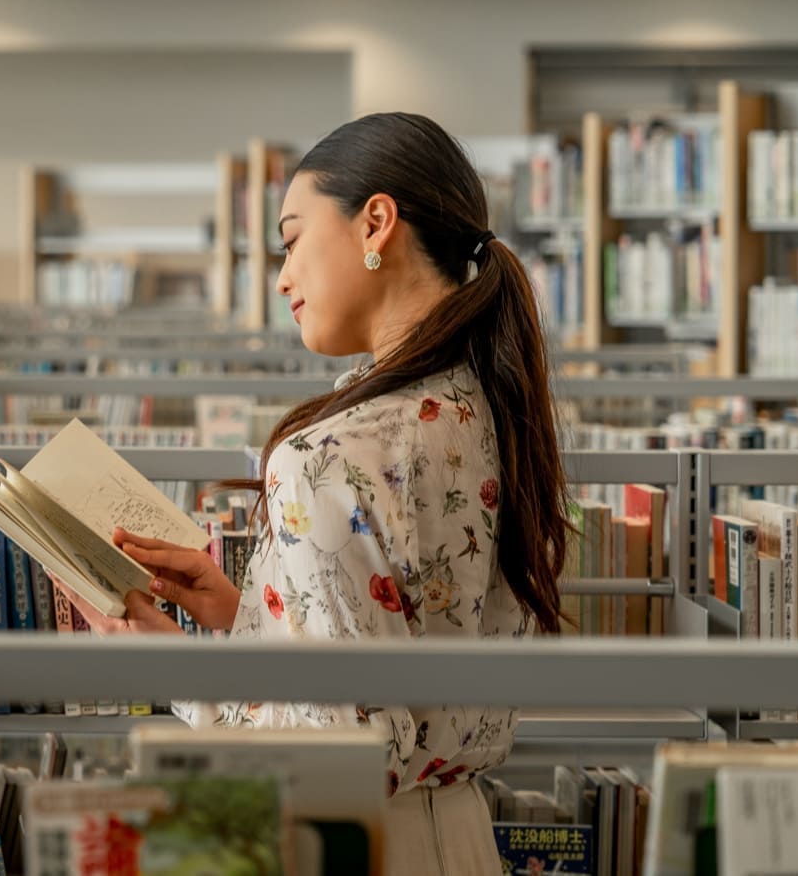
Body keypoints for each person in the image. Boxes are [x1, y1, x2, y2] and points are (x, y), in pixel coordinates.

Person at [57, 112, 570, 874]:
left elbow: (335, 755)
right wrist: (248, 616)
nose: (281, 275)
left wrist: (173, 669)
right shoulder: (481, 412)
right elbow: (400, 659)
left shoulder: (326, 455)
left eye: (292, 238)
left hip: (350, 844)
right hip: (459, 837)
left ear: (377, 222)